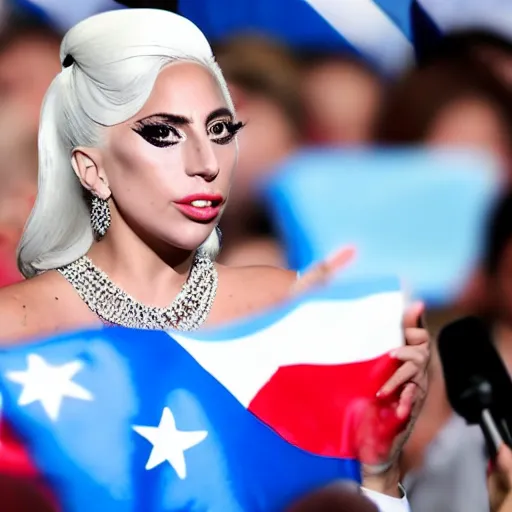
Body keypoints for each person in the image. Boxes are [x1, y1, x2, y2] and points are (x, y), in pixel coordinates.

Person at [0, 8, 429, 511]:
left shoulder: (289, 308)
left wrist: (379, 470)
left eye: (221, 129)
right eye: (164, 133)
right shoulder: (16, 330)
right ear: (92, 168)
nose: (206, 163)